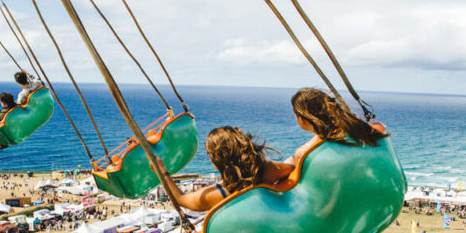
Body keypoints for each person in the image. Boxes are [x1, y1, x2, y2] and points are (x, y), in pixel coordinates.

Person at [153, 126, 294, 212]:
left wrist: (163, 173)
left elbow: (181, 199)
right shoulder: (266, 171)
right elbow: (291, 168)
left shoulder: (219, 194)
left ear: (216, 161)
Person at [285, 87, 387, 164]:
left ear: (301, 119)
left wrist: (290, 163)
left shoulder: (304, 153)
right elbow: (380, 128)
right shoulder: (359, 132)